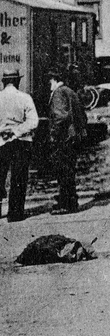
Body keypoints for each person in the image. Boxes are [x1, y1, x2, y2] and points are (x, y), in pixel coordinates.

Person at [0, 69, 37, 222]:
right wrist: (16, 131)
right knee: (19, 177)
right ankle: (15, 214)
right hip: (21, 142)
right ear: (17, 81)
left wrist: (5, 133)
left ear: (3, 81)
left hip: (1, 141)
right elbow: (33, 121)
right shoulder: (25, 98)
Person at [48, 71, 87, 215]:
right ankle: (71, 202)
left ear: (55, 79)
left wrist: (53, 135)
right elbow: (82, 115)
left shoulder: (58, 93)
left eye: (50, 81)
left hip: (63, 139)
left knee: (63, 172)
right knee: (69, 171)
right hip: (73, 139)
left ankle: (65, 204)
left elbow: (60, 116)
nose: (49, 85)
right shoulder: (71, 92)